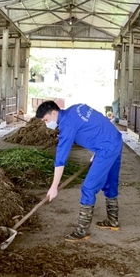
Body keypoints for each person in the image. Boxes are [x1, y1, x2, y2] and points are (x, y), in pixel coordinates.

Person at [36, 100, 123, 242]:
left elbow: (61, 159)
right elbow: (97, 121)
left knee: (88, 188)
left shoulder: (67, 125)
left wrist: (54, 187)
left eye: (46, 120)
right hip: (115, 140)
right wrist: (96, 149)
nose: (46, 124)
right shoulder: (75, 109)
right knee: (110, 182)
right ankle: (113, 221)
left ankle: (82, 230)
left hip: (106, 148)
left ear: (53, 113)